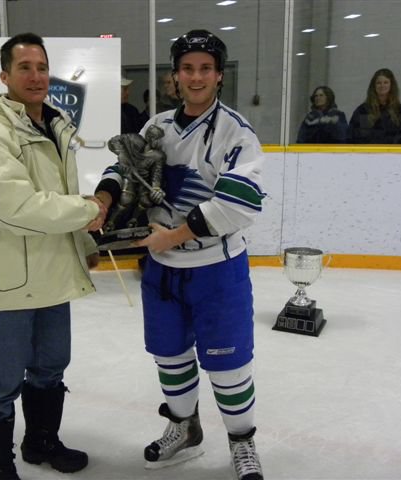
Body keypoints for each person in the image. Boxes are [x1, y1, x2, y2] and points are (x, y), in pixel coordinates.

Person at [95, 29, 266, 480]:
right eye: (187, 68)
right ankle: (184, 428)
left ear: (218, 76)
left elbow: (237, 204)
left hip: (217, 270)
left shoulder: (236, 132)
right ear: (175, 75)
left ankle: (242, 442)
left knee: (229, 367)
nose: (196, 77)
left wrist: (170, 238)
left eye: (205, 69)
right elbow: (123, 166)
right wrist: (104, 200)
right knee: (170, 357)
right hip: (164, 272)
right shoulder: (159, 126)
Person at [0, 32, 107, 480]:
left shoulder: (56, 125)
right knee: (3, 380)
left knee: (50, 366)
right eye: (24, 67)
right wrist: (88, 212)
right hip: (9, 280)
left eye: (41, 67)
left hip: (54, 272)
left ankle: (41, 441)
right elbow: (16, 207)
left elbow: (55, 195)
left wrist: (85, 244)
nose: (36, 75)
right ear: (5, 76)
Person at [348, 68, 401, 144]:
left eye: (386, 82)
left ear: (391, 85)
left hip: (393, 154)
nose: (382, 85)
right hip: (367, 154)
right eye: (379, 83)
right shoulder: (362, 110)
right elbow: (352, 136)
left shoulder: (400, 110)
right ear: (373, 86)